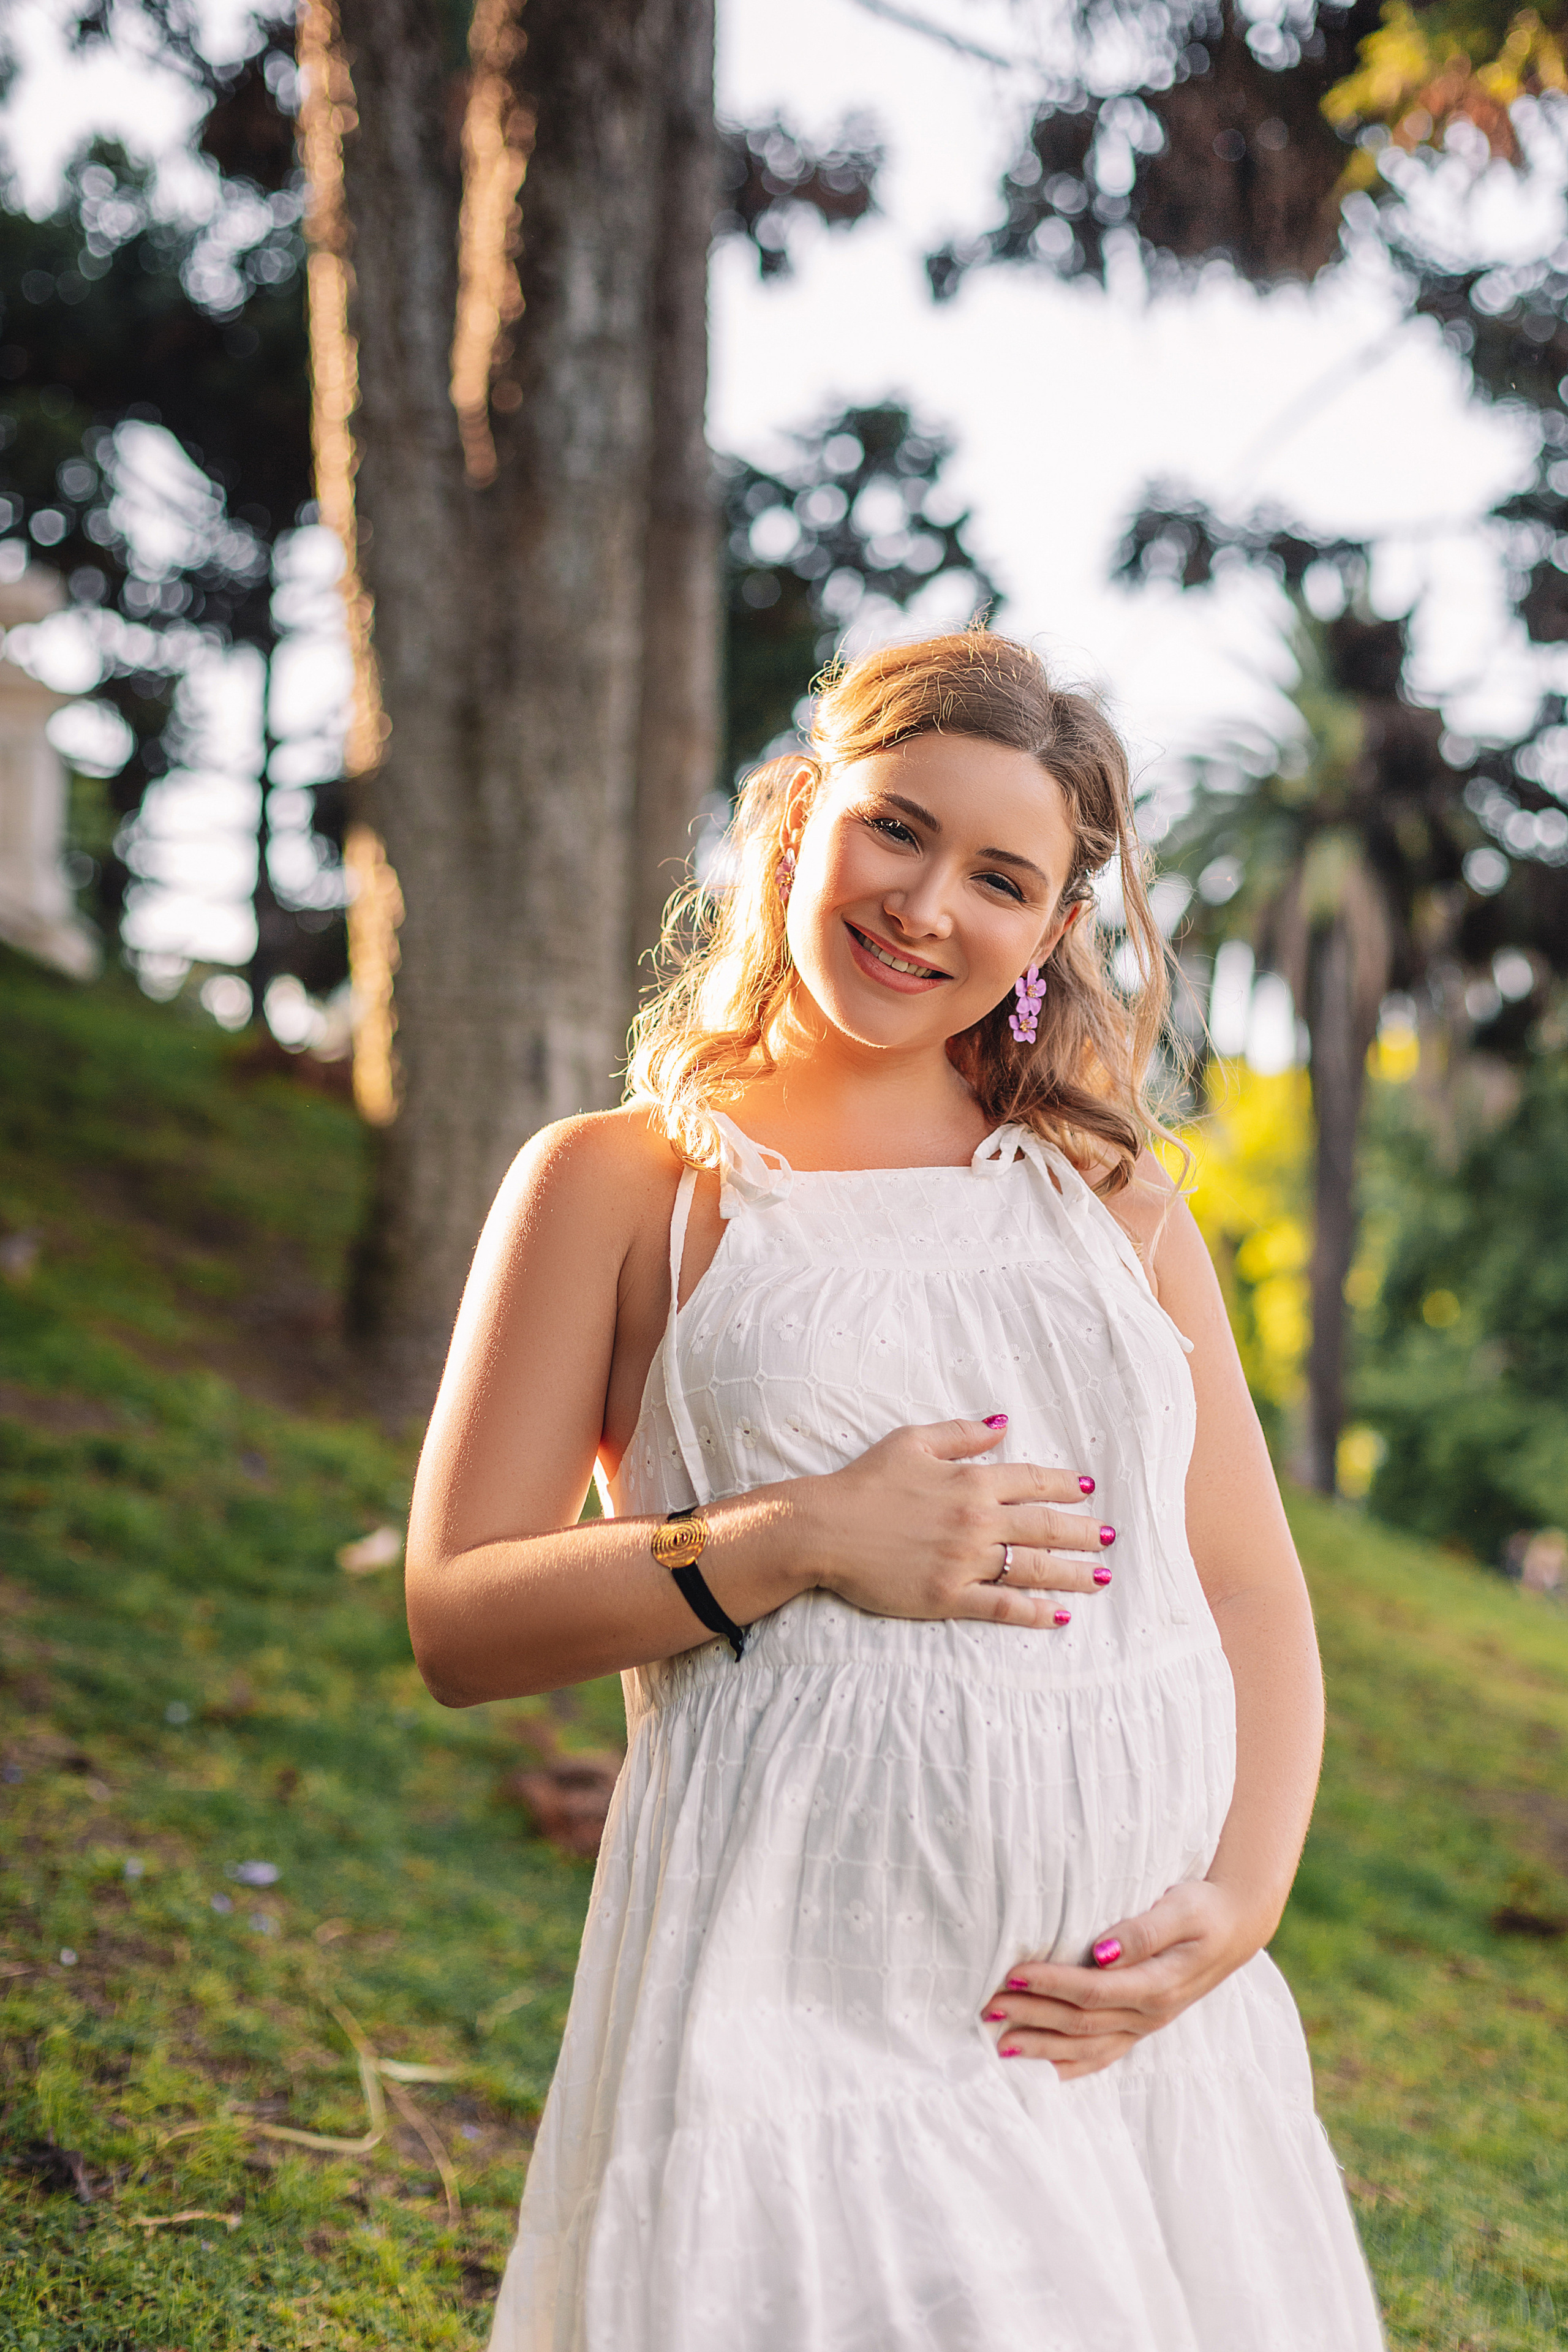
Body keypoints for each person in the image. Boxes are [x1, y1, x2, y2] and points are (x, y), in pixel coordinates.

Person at [405, 631, 1384, 2351]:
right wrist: (793, 1539)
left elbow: (1245, 1588)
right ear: (799, 821)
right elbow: (458, 1616)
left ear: (1052, 931)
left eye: (1002, 877)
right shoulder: (628, 1185)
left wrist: (1243, 1905)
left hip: (1115, 2016)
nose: (929, 904)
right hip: (797, 2002)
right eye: (898, 831)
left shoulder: (1111, 1203)